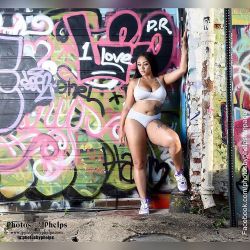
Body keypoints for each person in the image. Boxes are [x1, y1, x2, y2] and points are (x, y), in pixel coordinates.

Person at [118, 31, 188, 215]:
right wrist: (120, 128)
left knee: (174, 140)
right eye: (139, 64)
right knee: (139, 162)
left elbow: (182, 70)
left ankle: (179, 173)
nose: (141, 67)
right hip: (134, 120)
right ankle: (144, 202)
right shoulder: (134, 82)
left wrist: (185, 48)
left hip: (153, 121)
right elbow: (126, 108)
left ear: (151, 65)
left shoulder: (162, 79)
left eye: (145, 64)